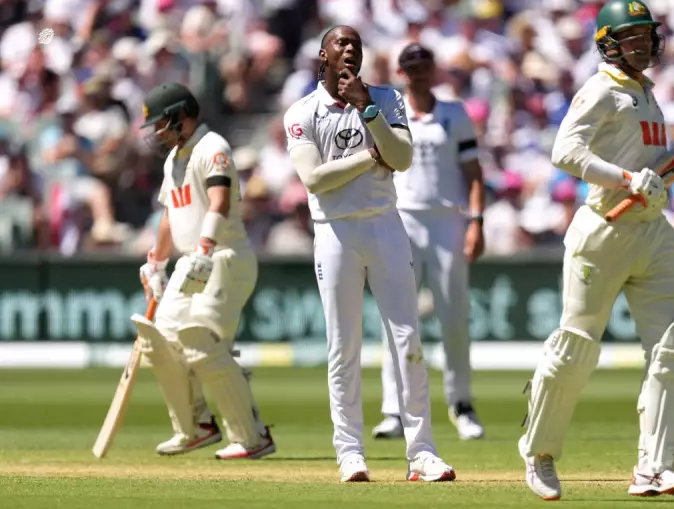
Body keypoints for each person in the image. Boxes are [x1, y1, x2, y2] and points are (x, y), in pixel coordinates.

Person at [517, 0, 674, 500]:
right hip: (604, 230)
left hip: (651, 233)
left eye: (647, 34)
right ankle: (538, 452)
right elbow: (565, 151)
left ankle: (653, 469)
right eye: (632, 36)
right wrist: (628, 179)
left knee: (673, 347)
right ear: (608, 44)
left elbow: (654, 169)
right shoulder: (601, 90)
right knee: (575, 349)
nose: (643, 43)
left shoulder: (647, 94)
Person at [283, 25, 455, 483]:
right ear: (323, 54)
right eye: (341, 42)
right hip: (334, 232)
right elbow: (315, 180)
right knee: (344, 347)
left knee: (407, 340)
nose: (351, 48)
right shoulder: (302, 111)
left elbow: (401, 158)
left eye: (356, 43)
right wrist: (367, 158)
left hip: (385, 224)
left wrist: (369, 109)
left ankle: (421, 453)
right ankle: (350, 453)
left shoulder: (387, 98)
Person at [137, 82, 276, 460]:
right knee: (159, 342)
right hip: (190, 262)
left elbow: (219, 201)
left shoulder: (213, 147)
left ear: (181, 115)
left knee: (199, 341)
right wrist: (155, 261)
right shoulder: (173, 159)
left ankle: (252, 436)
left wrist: (205, 247)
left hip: (225, 256)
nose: (158, 134)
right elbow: (171, 215)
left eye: (162, 124)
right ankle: (195, 426)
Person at [371, 43, 486, 441]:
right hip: (401, 219)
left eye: (424, 66)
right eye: (411, 67)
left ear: (433, 70)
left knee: (454, 316)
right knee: (398, 317)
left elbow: (473, 172)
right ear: (401, 73)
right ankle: (394, 410)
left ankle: (461, 403)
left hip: (447, 221)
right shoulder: (390, 112)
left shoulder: (454, 113)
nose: (418, 73)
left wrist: (476, 222)